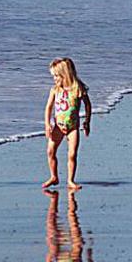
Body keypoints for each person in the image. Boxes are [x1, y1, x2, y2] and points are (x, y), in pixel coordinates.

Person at [43, 58, 92, 190]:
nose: (54, 79)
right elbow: (48, 107)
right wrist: (47, 124)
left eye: (56, 76)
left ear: (65, 74)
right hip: (58, 126)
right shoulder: (55, 90)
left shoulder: (77, 89)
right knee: (50, 151)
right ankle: (54, 176)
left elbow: (88, 105)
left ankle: (70, 180)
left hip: (73, 127)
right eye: (53, 76)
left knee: (72, 154)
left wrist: (87, 122)